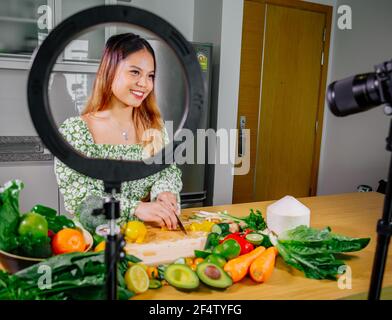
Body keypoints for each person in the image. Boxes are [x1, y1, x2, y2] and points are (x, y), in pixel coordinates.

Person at [54, 33, 182, 230]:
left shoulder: (154, 127)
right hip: (98, 244)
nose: (145, 84)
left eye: (150, 76)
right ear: (110, 71)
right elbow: (81, 201)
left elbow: (167, 172)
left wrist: (165, 193)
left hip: (147, 236)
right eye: (135, 72)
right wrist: (135, 208)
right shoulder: (75, 131)